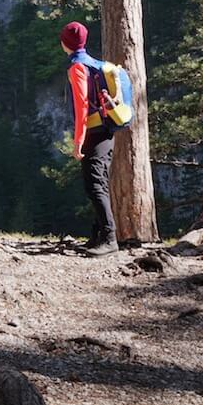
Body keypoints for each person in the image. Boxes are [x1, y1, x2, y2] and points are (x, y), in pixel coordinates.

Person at [61, 21, 124, 256]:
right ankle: (98, 236)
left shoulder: (77, 67)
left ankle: (109, 239)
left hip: (94, 133)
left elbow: (81, 108)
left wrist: (78, 143)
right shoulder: (95, 63)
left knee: (95, 185)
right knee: (99, 182)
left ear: (64, 43)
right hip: (106, 129)